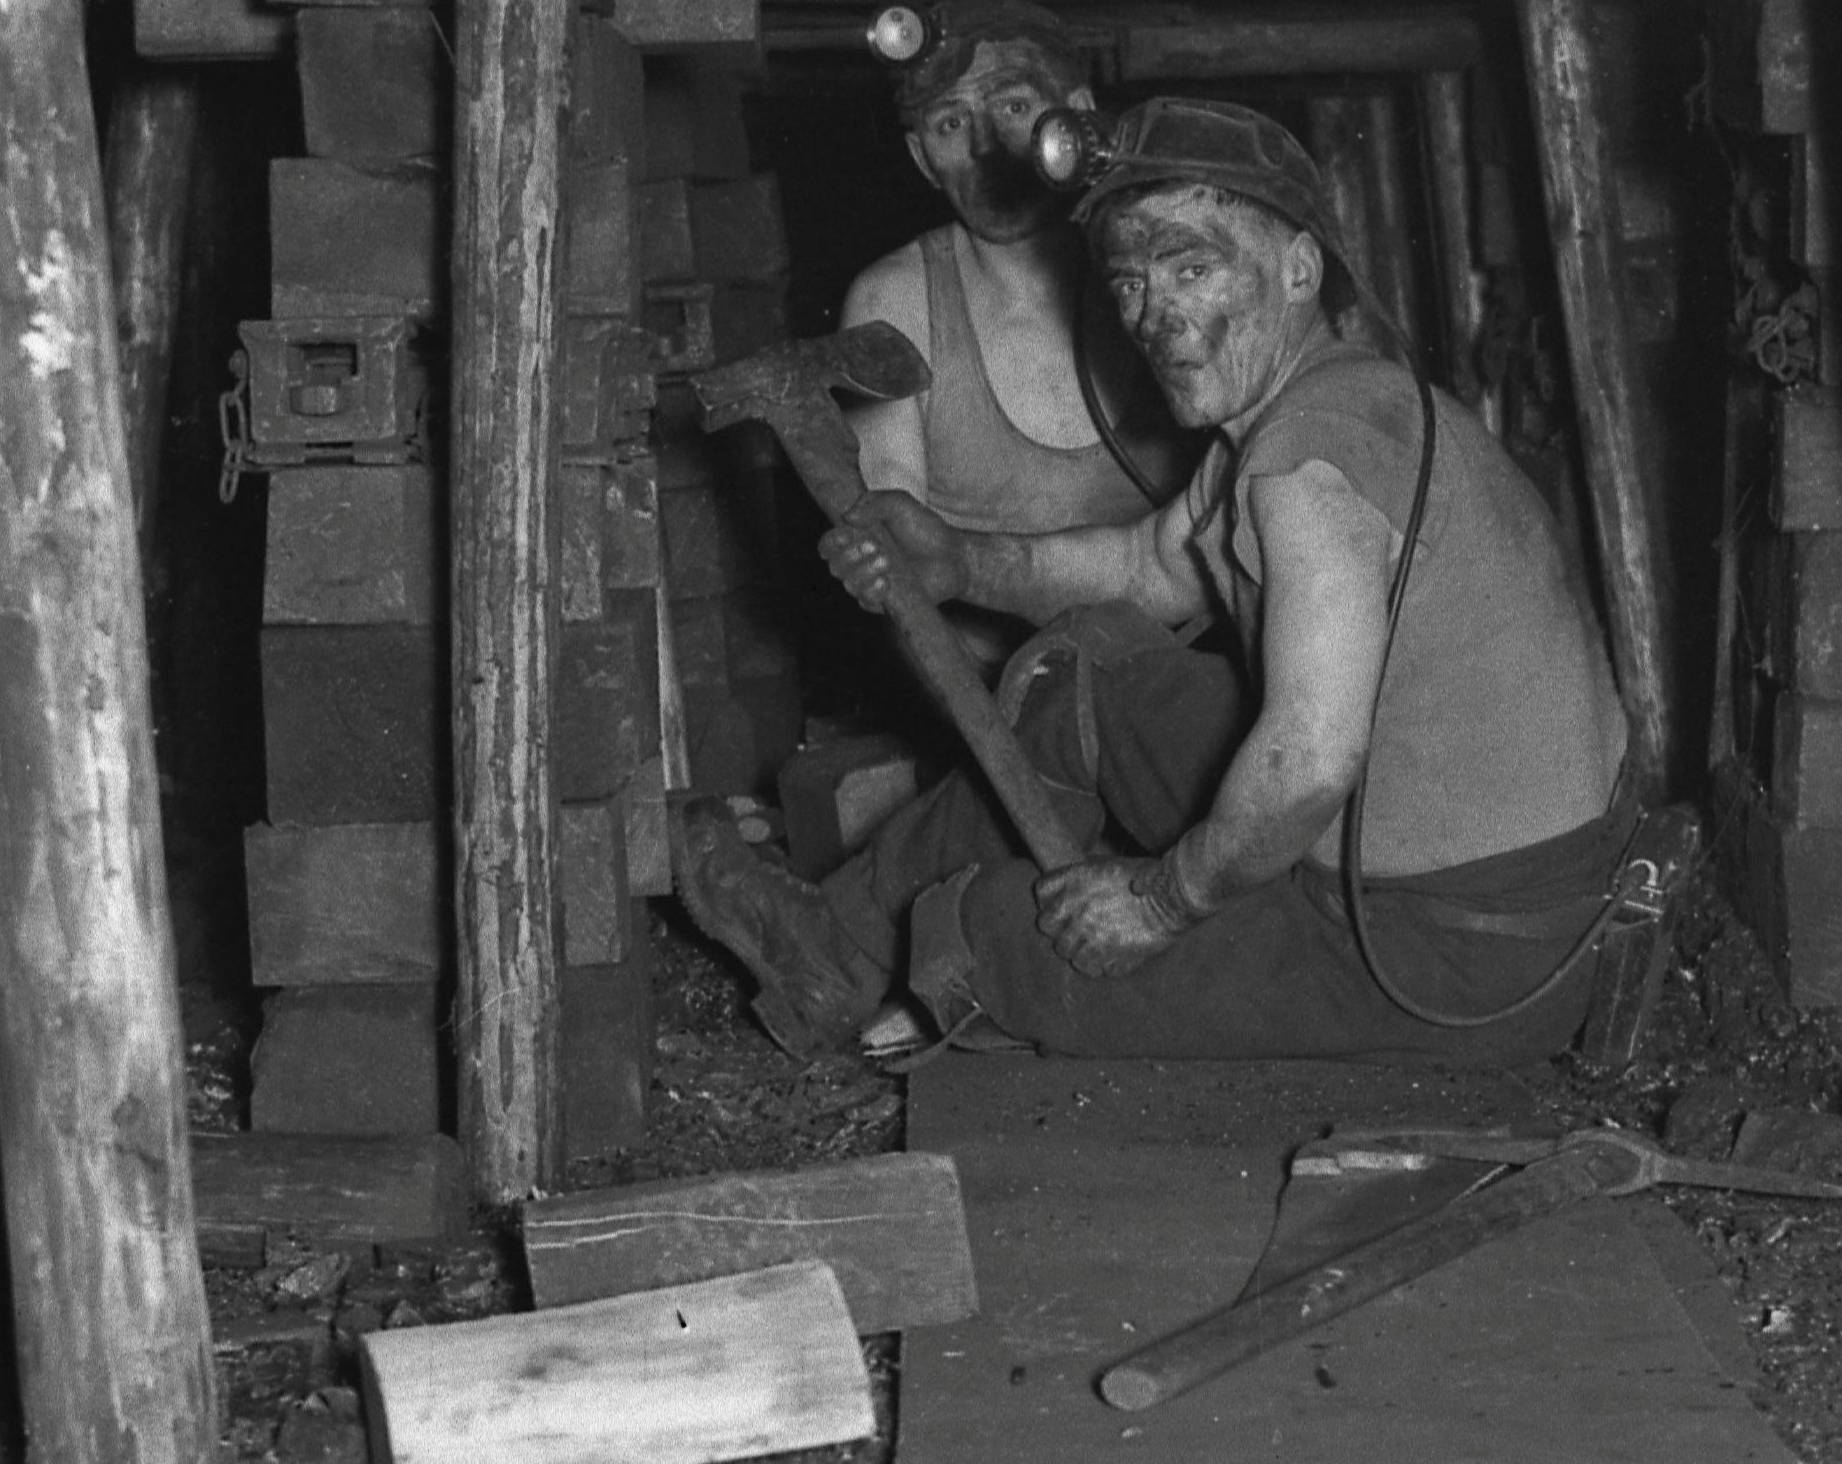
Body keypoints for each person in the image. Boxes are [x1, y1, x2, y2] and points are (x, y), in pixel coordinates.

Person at [674, 97, 1634, 1060]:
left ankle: (900, 960)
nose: (1155, 317)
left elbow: (1308, 761)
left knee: (981, 926)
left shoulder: (1311, 468)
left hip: (1455, 954)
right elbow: (1143, 568)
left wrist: (1159, 899)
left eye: (1193, 269)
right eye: (1130, 280)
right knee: (1085, 673)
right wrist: (958, 558)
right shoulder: (1322, 406)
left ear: (1299, 269)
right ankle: (828, 950)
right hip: (1422, 861)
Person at [835, 4, 1183, 563]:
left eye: (1015, 107)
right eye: (950, 124)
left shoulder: (1167, 266)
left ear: (1080, 116)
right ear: (922, 159)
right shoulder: (895, 302)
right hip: (979, 626)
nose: (987, 145)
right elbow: (896, 552)